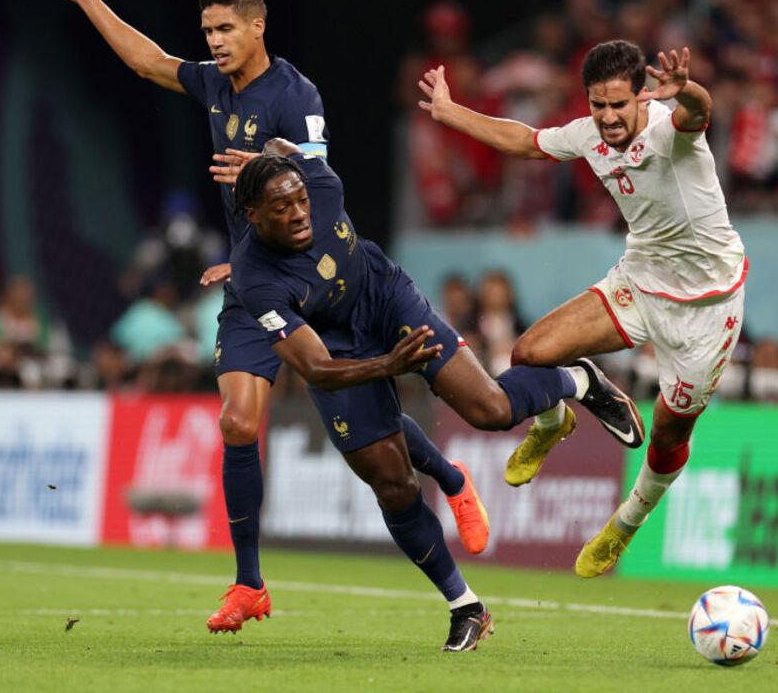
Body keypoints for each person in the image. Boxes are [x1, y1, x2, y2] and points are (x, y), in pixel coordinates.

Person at [36, 0, 485, 635]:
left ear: (257, 27)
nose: (213, 42)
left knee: (359, 417)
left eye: (225, 29)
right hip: (252, 282)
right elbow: (148, 61)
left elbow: (316, 175)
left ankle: (450, 482)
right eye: (208, 30)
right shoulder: (216, 86)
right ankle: (249, 584)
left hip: (308, 282)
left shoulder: (293, 93)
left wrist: (275, 158)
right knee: (238, 422)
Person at [224, 139, 644, 649]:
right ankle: (466, 606)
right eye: (281, 207)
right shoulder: (254, 278)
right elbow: (316, 366)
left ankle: (580, 380)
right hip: (333, 347)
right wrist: (387, 367)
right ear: (252, 216)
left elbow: (294, 147)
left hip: (387, 300)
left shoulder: (320, 181)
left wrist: (276, 148)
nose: (298, 213)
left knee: (490, 409)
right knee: (394, 485)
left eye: (300, 200)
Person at [418, 40, 747, 578]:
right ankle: (556, 416)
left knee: (668, 435)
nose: (609, 117)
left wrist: (686, 89)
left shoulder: (668, 130)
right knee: (529, 352)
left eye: (620, 104)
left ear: (643, 96)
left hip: (708, 308)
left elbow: (699, 113)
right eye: (598, 105)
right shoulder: (588, 135)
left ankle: (625, 524)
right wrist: (452, 112)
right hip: (640, 281)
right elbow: (524, 141)